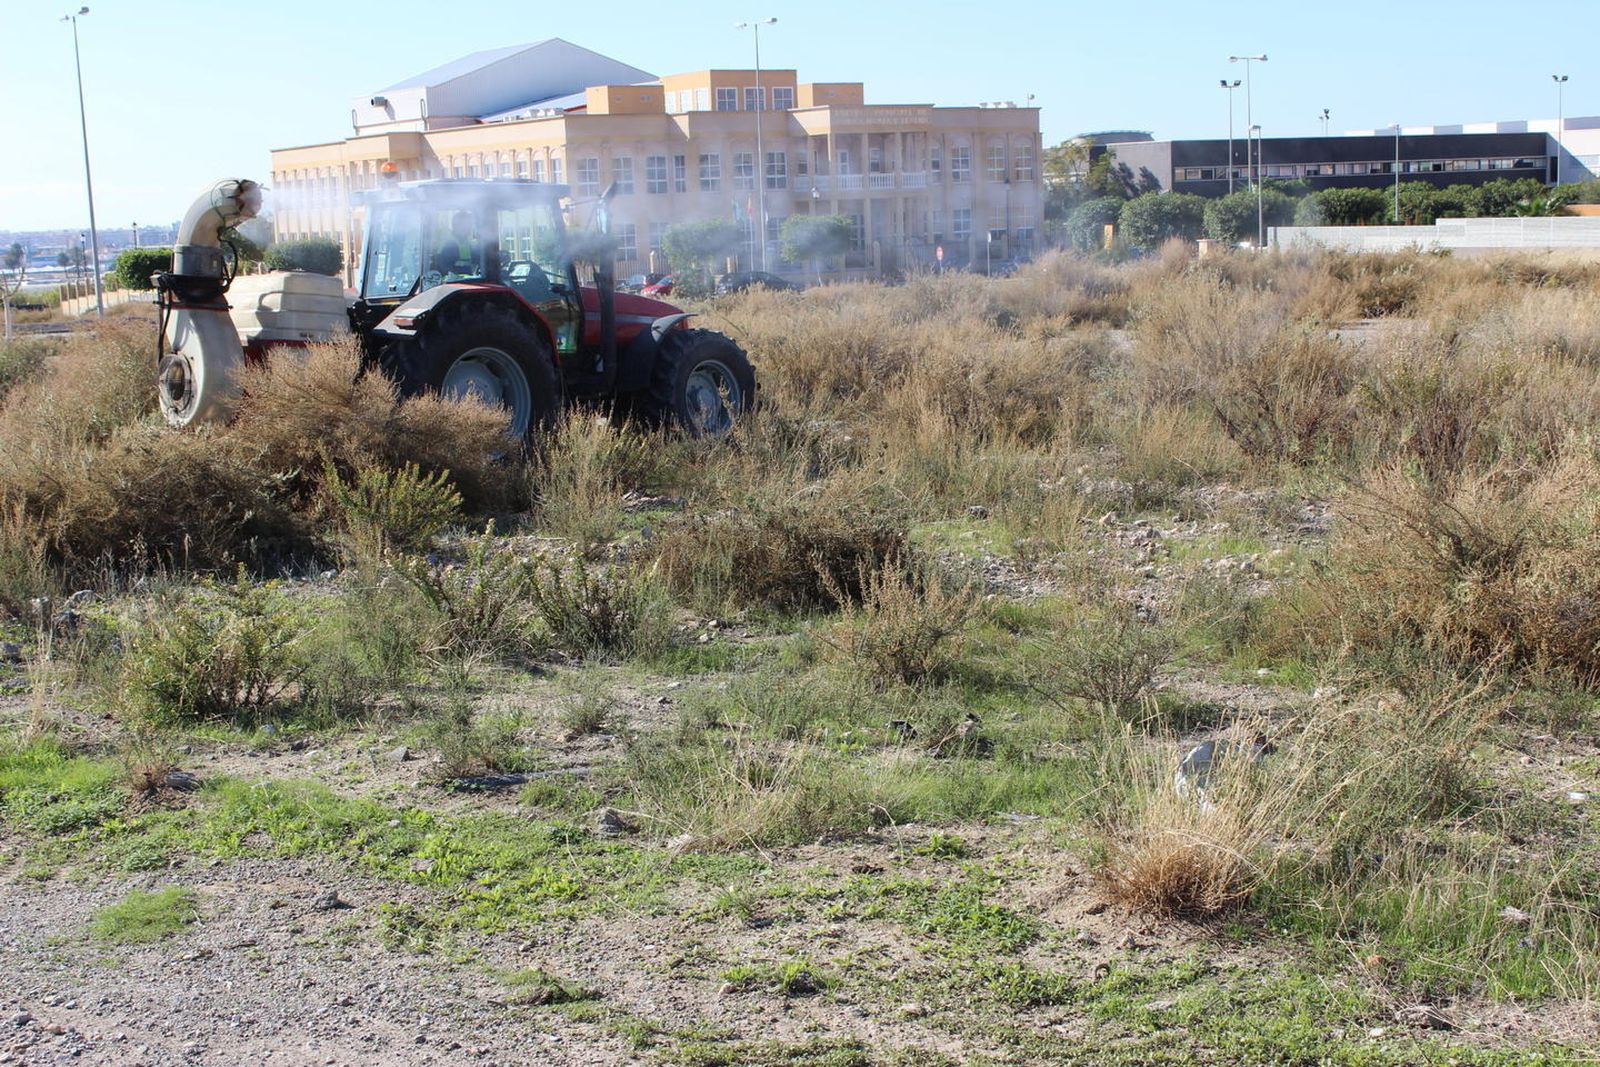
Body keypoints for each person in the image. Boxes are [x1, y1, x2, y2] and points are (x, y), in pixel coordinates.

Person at [432, 210, 483, 277]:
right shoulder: (448, 245)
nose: (469, 228)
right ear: (455, 226)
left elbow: (479, 264)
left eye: (470, 225)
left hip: (469, 282)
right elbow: (446, 271)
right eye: (465, 225)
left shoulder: (469, 244)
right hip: (452, 285)